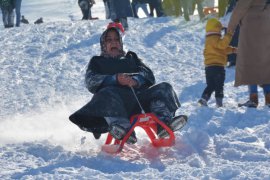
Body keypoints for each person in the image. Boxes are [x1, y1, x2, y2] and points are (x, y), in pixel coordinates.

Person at [69, 27, 188, 143]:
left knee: (164, 87)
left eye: (116, 39)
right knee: (107, 93)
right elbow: (91, 81)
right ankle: (124, 130)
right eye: (109, 40)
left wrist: (136, 80)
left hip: (139, 100)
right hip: (116, 104)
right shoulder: (97, 62)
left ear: (120, 43)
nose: (113, 42)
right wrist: (115, 79)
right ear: (103, 45)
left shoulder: (131, 58)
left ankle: (163, 124)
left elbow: (149, 75)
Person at [227, 0, 270, 108]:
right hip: (266, 21)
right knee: (265, 60)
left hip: (251, 24)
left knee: (250, 61)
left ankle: (253, 98)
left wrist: (230, 29)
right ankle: (269, 97)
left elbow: (240, 7)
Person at [198, 18, 236, 107]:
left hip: (209, 68)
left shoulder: (209, 40)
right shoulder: (215, 38)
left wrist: (233, 50)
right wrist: (229, 34)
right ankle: (219, 103)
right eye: (220, 29)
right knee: (219, 85)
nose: (221, 31)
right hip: (218, 67)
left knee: (210, 85)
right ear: (216, 29)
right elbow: (223, 45)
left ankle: (204, 99)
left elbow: (222, 49)